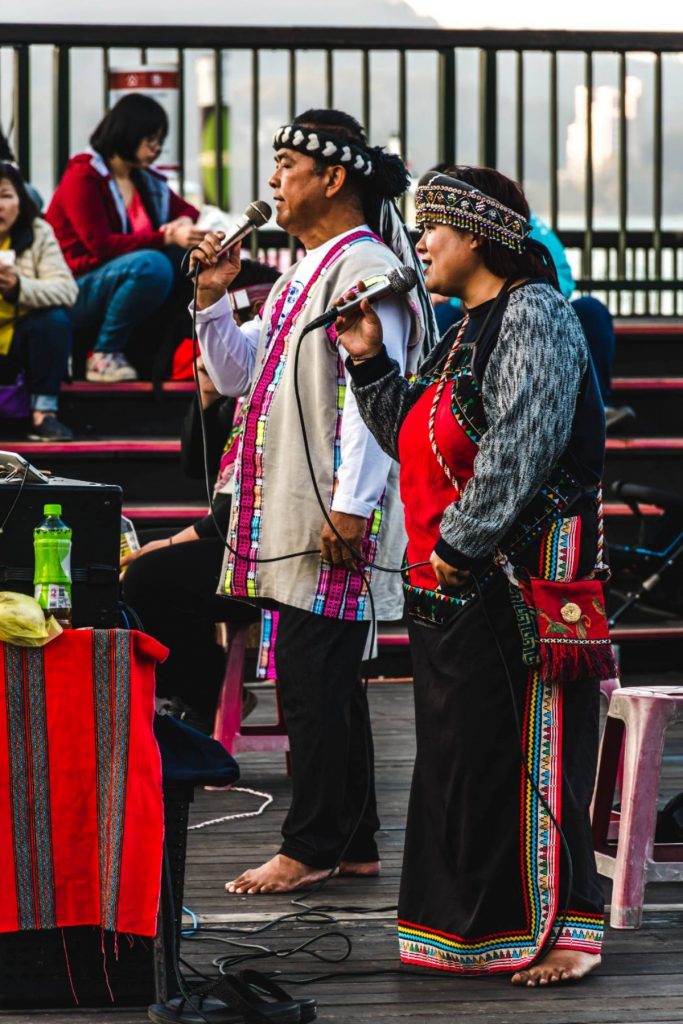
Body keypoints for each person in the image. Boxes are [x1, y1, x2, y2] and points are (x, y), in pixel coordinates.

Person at [336, 166, 611, 986]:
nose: (418, 243)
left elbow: (519, 452)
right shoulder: (462, 329)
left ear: (477, 236)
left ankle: (566, 930)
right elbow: (414, 443)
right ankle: (468, 930)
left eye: (433, 229)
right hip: (453, 579)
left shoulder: (533, 316)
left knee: (533, 751)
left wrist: (458, 548)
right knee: (463, 759)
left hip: (512, 580)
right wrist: (371, 365)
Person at [189, 108, 432, 895]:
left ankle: (312, 842)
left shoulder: (366, 271)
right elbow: (234, 376)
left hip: (328, 505)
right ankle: (350, 838)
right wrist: (213, 300)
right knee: (320, 674)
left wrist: (353, 504)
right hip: (297, 500)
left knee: (311, 671)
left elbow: (373, 393)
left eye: (286, 162)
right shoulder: (303, 270)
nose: (273, 180)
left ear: (333, 178)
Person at [121, 264, 281, 732]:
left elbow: (237, 509)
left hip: (265, 547)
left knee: (148, 574)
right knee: (126, 556)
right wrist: (208, 398)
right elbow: (197, 468)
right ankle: (183, 688)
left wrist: (168, 545)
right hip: (234, 535)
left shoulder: (275, 387)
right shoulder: (237, 386)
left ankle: (202, 690)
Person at [46, 93, 204, 383]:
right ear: (127, 133)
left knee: (181, 259)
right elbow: (101, 245)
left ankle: (176, 352)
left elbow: (188, 209)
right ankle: (104, 354)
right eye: (150, 140)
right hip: (73, 288)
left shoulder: (143, 179)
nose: (156, 149)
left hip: (113, 281)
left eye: (160, 141)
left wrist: (182, 223)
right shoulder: (83, 176)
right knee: (153, 265)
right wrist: (167, 236)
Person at [0, 161, 76, 441]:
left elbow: (67, 290)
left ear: (20, 199)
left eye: (6, 195)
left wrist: (20, 287)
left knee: (53, 320)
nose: (0, 205)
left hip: (19, 347)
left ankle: (44, 413)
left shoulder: (38, 232)